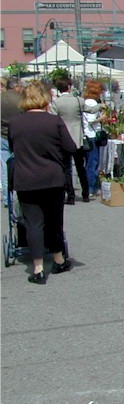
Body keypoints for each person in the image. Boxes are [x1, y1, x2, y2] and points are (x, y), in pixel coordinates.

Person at [7, 81, 77, 284]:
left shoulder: (16, 123)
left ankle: (38, 268)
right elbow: (71, 147)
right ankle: (58, 259)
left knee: (33, 223)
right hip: (52, 177)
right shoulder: (53, 121)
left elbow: (13, 148)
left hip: (26, 178)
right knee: (54, 221)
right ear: (45, 98)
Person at [50, 77, 89, 203]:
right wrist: (100, 105)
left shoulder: (56, 103)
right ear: (69, 87)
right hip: (77, 138)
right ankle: (86, 194)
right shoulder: (78, 100)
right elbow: (91, 109)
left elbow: (52, 118)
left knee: (66, 168)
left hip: (64, 138)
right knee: (80, 167)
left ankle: (70, 195)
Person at [1, 77, 24, 207]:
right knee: (19, 165)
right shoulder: (20, 100)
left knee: (4, 168)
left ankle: (6, 198)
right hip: (18, 135)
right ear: (16, 87)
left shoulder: (1, 98)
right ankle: (17, 196)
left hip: (2, 135)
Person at [82, 80, 105, 198]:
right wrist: (101, 118)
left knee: (90, 162)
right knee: (92, 162)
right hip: (91, 135)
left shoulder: (86, 101)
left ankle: (92, 186)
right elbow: (91, 120)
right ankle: (91, 187)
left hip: (87, 135)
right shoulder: (91, 102)